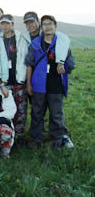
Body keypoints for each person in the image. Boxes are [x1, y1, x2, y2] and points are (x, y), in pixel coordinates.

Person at [25, 15, 75, 150]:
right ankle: (36, 138)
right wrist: (29, 84)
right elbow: (29, 64)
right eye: (44, 24)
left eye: (50, 24)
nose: (47, 26)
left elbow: (71, 64)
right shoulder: (35, 44)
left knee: (56, 112)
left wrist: (64, 66)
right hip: (38, 84)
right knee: (37, 112)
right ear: (41, 27)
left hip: (56, 84)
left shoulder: (62, 44)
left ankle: (59, 137)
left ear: (55, 26)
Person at [0, 15, 28, 140]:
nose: (5, 26)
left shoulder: (20, 38)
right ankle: (7, 134)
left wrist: (25, 78)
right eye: (3, 24)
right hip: (4, 81)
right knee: (6, 108)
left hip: (18, 79)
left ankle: (19, 136)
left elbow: (25, 58)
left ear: (12, 24)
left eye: (7, 23)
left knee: (20, 109)